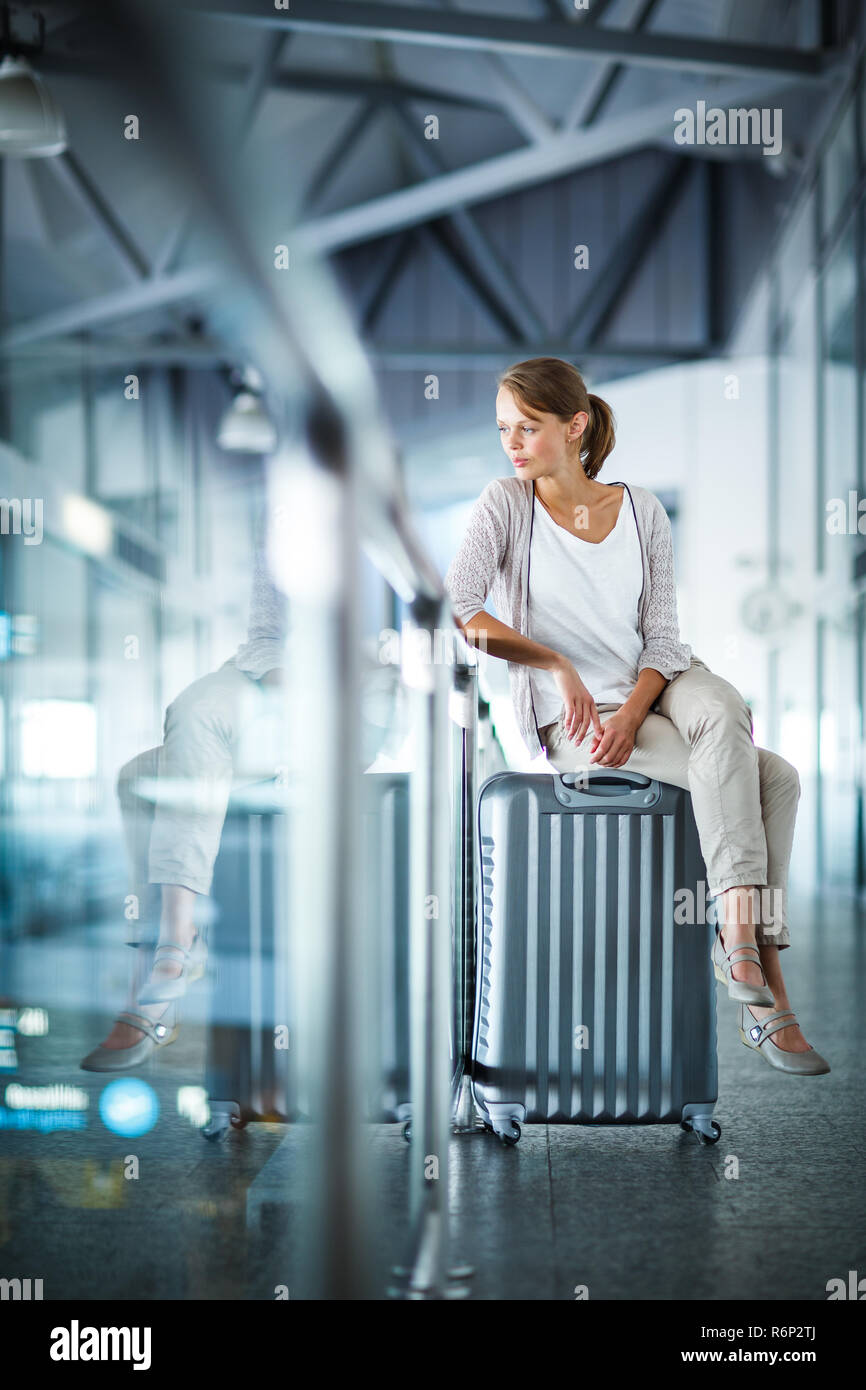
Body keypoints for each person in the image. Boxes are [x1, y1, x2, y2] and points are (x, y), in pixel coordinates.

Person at [444, 356, 828, 1076]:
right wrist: (554, 664)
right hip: (576, 718)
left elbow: (662, 636)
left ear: (576, 425)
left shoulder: (641, 508)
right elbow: (463, 611)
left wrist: (637, 710)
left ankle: (736, 940)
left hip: (657, 688)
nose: (513, 443)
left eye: (528, 427)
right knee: (773, 780)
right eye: (504, 429)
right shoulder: (506, 503)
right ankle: (764, 987)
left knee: (730, 717)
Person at [80, 546, 290, 1071]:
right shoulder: (282, 510)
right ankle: (156, 959)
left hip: (346, 695)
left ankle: (174, 949)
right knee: (137, 778)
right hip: (270, 679)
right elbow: (267, 636)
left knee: (196, 714)